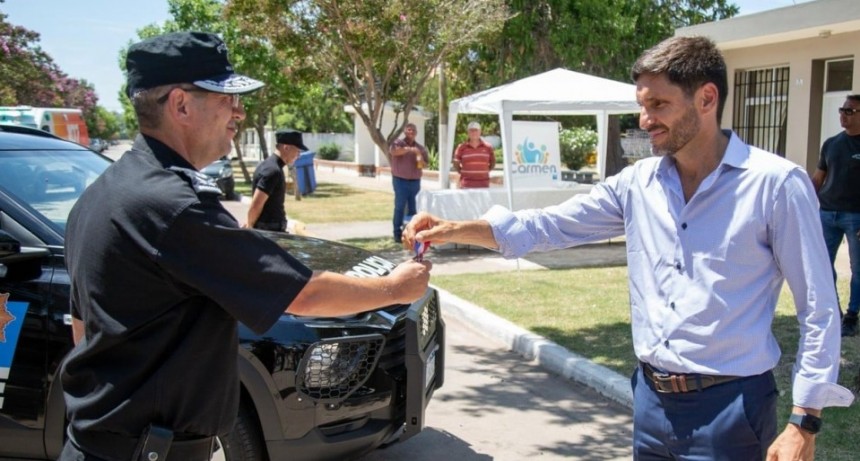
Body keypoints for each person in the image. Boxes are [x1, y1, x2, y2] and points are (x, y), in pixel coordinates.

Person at [404, 36, 853, 460]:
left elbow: (818, 306)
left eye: (658, 104)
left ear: (707, 99)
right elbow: (548, 226)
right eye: (642, 106)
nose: (645, 120)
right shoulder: (638, 184)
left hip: (732, 408)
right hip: (650, 403)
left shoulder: (775, 185)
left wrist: (804, 421)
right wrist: (454, 228)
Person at [60, 31, 431, 461]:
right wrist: (396, 289)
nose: (238, 112)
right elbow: (303, 293)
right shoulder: (173, 205)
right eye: (225, 98)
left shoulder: (103, 193)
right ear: (180, 105)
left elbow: (82, 328)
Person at [811, 94, 860, 337]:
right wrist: (807, 205)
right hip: (827, 213)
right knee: (821, 264)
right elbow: (818, 178)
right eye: (842, 109)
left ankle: (852, 315)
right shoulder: (831, 143)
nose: (844, 114)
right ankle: (835, 312)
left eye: (850, 111)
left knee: (857, 268)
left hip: (856, 216)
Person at [245, 129, 307, 231]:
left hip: (271, 230)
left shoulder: (270, 166)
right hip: (269, 231)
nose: (298, 156)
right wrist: (249, 226)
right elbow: (256, 204)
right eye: (297, 151)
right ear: (286, 147)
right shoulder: (272, 170)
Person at [389, 122, 429, 242]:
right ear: (405, 132)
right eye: (408, 130)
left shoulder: (421, 148)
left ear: (416, 133)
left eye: (413, 130)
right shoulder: (398, 143)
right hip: (400, 181)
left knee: (413, 208)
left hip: (415, 182)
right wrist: (411, 150)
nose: (410, 132)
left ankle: (411, 233)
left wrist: (418, 154)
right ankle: (397, 234)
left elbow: (424, 165)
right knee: (399, 207)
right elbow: (395, 152)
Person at [454, 121, 496, 188]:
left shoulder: (488, 147)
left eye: (476, 130)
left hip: (484, 185)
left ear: (480, 132)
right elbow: (456, 163)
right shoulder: (461, 147)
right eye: (471, 130)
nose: (474, 132)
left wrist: (485, 171)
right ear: (468, 132)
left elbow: (493, 162)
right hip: (466, 185)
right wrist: (462, 172)